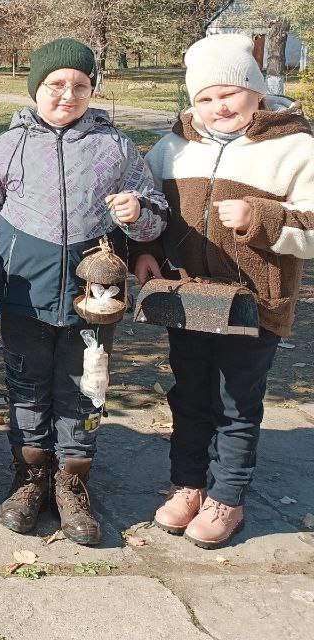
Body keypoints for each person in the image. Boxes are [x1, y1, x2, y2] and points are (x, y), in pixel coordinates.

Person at [0, 38, 167, 545]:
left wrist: (138, 214)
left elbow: (153, 220)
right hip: (23, 298)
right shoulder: (6, 149)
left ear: (92, 90)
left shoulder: (116, 147)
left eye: (80, 85)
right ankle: (30, 479)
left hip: (94, 303)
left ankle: (73, 484)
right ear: (35, 87)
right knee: (27, 388)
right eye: (56, 84)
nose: (67, 95)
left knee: (84, 391)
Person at [135, 34, 314, 549]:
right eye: (205, 98)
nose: (218, 107)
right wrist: (142, 252)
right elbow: (153, 213)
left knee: (237, 403)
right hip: (187, 299)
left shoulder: (294, 146)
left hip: (255, 304)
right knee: (190, 395)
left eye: (229, 93)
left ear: (256, 91)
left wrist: (263, 218)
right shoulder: (174, 147)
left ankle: (227, 497)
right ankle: (189, 484)